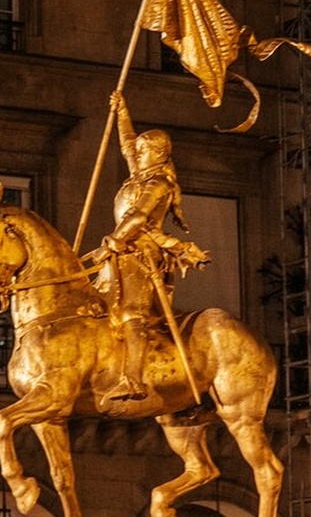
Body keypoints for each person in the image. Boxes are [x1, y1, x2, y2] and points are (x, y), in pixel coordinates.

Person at [93, 90, 210, 402]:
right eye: (139, 150)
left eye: (143, 150)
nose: (137, 152)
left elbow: (138, 216)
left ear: (157, 154)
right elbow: (126, 141)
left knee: (132, 313)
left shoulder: (159, 184)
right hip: (119, 250)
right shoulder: (137, 176)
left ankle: (132, 379)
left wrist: (115, 241)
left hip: (142, 253)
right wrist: (121, 109)